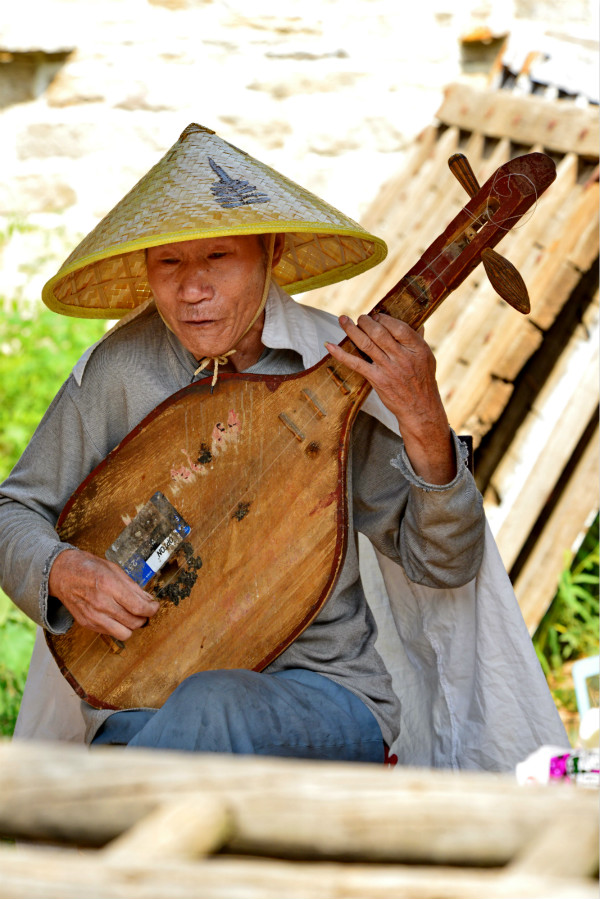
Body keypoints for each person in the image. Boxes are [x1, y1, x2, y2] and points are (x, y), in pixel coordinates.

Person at [0, 124, 567, 767]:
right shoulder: (117, 372)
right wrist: (61, 571)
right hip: (145, 697)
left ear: (268, 252)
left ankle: (83, 824)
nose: (192, 290)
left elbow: (444, 564)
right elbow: (11, 512)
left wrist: (426, 424)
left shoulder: (338, 373)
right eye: (170, 263)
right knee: (183, 714)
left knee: (211, 706)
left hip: (322, 696)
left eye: (218, 257)